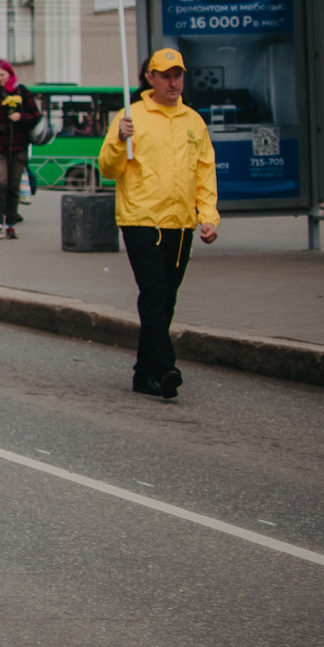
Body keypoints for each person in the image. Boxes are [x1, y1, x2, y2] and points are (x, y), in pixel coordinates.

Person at [101, 49, 218, 400]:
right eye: (165, 75)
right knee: (155, 293)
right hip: (141, 220)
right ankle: (166, 367)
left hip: (181, 225)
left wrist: (208, 216)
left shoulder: (193, 121)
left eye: (178, 74)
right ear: (149, 78)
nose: (173, 82)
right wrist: (121, 139)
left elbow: (204, 172)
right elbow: (107, 168)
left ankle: (143, 373)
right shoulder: (131, 116)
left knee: (165, 300)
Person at [0, 60, 43, 239]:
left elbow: (35, 115)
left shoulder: (22, 92)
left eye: (2, 75)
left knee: (13, 185)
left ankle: (11, 223)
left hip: (18, 146)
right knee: (0, 183)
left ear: (10, 74)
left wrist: (22, 116)